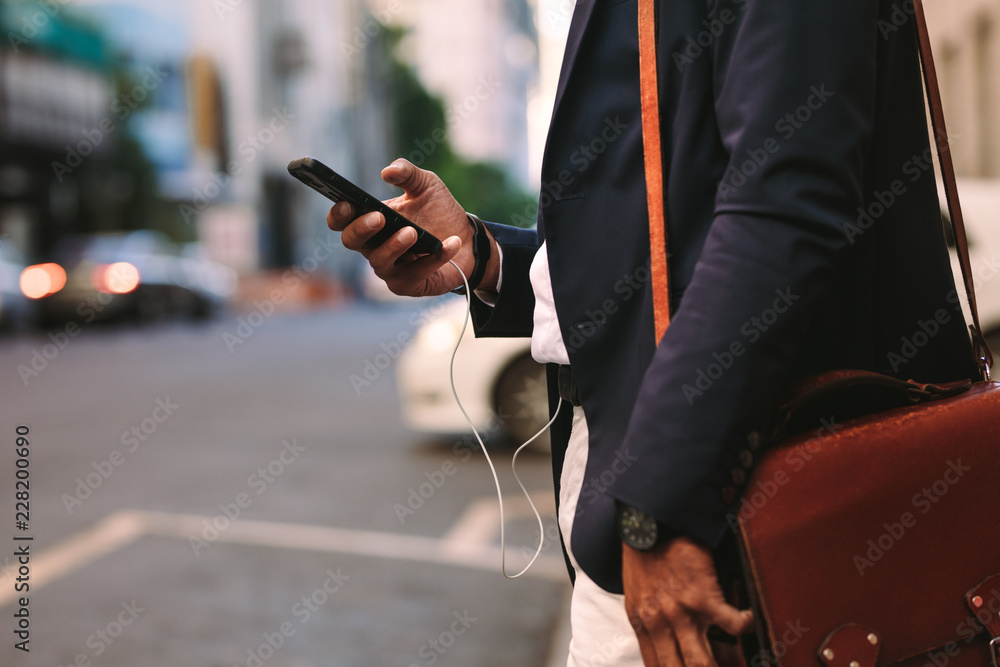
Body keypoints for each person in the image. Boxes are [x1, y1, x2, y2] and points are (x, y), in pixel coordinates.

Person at [328, 0, 980, 664]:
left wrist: (657, 506)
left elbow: (783, 210)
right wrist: (486, 258)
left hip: (723, 502)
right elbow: (665, 235)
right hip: (672, 478)